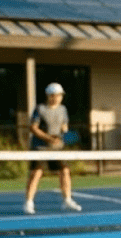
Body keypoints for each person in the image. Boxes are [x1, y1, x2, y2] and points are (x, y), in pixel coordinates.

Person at [24, 82, 80, 214]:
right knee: (36, 173)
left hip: (57, 148)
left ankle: (67, 200)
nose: (57, 97)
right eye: (54, 95)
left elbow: (64, 127)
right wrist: (49, 138)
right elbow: (33, 128)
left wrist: (65, 137)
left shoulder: (63, 109)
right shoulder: (40, 109)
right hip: (40, 147)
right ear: (49, 96)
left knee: (65, 171)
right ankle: (29, 203)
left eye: (60, 95)